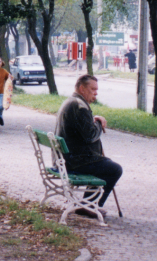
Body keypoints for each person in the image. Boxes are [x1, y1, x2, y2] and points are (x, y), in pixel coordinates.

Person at [55, 74, 122, 218]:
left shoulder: (72, 102)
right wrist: (99, 122)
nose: (96, 93)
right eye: (93, 89)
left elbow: (83, 130)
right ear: (81, 88)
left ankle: (87, 204)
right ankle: (89, 206)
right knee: (114, 169)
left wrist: (93, 120)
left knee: (106, 164)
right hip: (74, 162)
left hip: (65, 159)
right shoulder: (79, 106)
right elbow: (90, 136)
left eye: (96, 89)